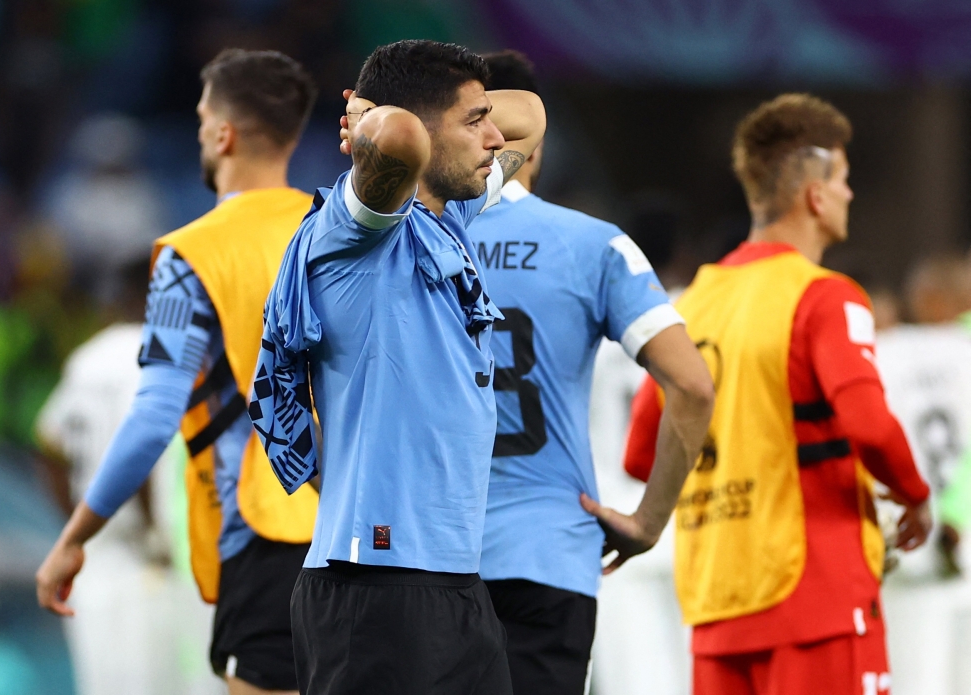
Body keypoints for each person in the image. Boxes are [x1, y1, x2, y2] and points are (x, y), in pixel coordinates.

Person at [248, 40, 545, 695]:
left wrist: (448, 114)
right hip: (373, 580)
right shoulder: (360, 229)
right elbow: (403, 137)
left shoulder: (451, 214)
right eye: (474, 122)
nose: (497, 140)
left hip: (456, 579)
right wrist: (374, 116)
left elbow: (531, 114)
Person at [620, 94, 933, 695]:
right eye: (842, 179)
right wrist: (915, 496)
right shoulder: (825, 296)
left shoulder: (691, 304)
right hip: (815, 595)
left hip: (716, 598)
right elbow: (868, 424)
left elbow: (641, 456)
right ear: (815, 195)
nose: (848, 194)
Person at [36, 49, 319, 695]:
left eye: (199, 118)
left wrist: (78, 535)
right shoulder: (353, 235)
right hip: (372, 530)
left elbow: (154, 415)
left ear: (223, 133)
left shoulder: (191, 254)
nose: (196, 132)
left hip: (268, 526)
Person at [467, 50, 713, 695]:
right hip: (550, 552)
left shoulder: (405, 243)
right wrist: (647, 523)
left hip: (427, 555)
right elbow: (691, 385)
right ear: (539, 138)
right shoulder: (593, 245)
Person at [35, 257, 220, 695]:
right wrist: (155, 531)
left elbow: (48, 446)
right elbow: (138, 449)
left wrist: (77, 525)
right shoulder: (156, 352)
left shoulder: (88, 356)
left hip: (95, 555)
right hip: (147, 562)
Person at [875, 255, 971, 695]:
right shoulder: (963, 348)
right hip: (959, 533)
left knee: (914, 676)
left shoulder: (886, 352)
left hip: (912, 537)